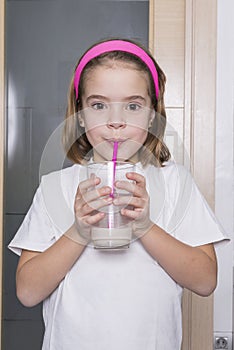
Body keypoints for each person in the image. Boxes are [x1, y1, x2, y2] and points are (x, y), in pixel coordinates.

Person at [9, 38, 227, 349]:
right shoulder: (55, 188)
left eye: (133, 106)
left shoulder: (176, 183)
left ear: (152, 114)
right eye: (98, 105)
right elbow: (28, 292)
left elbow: (205, 282)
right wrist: (79, 231)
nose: (116, 121)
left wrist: (145, 227)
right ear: (80, 115)